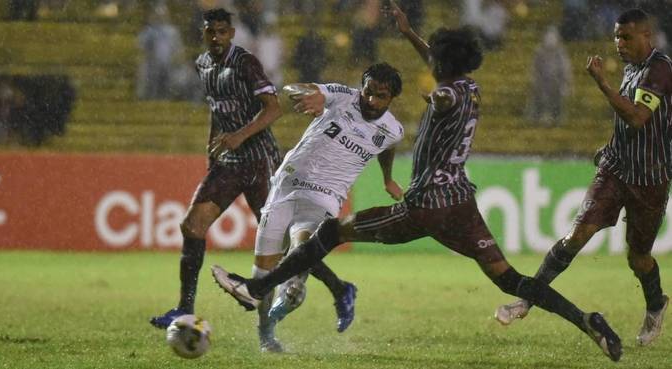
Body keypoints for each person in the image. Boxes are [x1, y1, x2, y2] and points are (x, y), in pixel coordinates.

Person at [210, 2, 624, 362]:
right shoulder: (471, 85)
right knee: (508, 278)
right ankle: (586, 320)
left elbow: (445, 95)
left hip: (425, 205)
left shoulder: (450, 94)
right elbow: (442, 68)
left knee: (331, 230)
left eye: (436, 63)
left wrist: (436, 99)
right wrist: (409, 32)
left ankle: (257, 287)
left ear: (444, 67)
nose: (433, 66)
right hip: (461, 204)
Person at [496, 8, 672, 347]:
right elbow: (627, 127)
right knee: (576, 235)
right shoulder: (632, 68)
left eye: (627, 37)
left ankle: (655, 305)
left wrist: (602, 83)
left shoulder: (660, 69)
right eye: (616, 37)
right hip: (616, 169)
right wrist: (608, 149)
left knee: (638, 258)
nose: (619, 43)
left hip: (650, 179)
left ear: (646, 36)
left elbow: (637, 117)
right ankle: (527, 299)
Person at [249, 63, 405, 352]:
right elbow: (293, 88)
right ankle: (265, 334)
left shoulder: (393, 130)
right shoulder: (343, 96)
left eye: (380, 96)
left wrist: (388, 178)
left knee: (299, 255)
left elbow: (387, 146)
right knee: (261, 276)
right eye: (368, 93)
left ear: (392, 97)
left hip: (324, 196)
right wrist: (310, 94)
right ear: (361, 87)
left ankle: (318, 291)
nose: (371, 101)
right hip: (285, 185)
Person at [148, 7, 283, 331]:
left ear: (232, 33)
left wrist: (239, 136)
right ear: (203, 33)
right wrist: (214, 149)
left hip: (260, 161)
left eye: (223, 31)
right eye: (211, 31)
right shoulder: (203, 64)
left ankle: (272, 326)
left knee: (274, 241)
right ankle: (184, 309)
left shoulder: (245, 62)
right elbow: (217, 110)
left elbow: (274, 108)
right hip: (228, 163)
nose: (217, 37)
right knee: (192, 227)